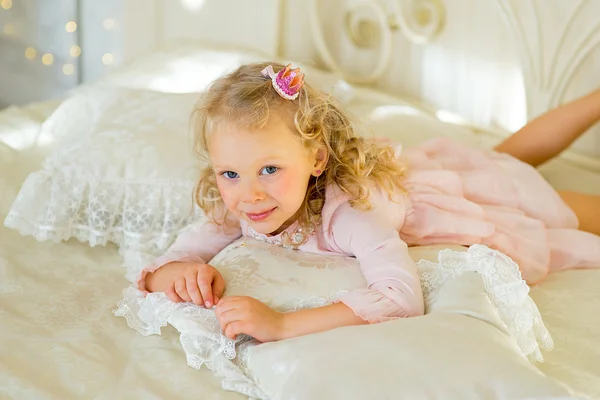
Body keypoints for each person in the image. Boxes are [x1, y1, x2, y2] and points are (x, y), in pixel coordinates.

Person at [136, 62, 600, 343]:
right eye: (230, 173)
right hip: (405, 175)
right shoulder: (240, 201)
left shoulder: (350, 217)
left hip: (440, 197)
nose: (250, 193)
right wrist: (181, 274)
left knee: (530, 192)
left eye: (271, 169)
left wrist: (282, 325)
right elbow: (171, 260)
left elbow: (400, 298)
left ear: (316, 159)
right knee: (502, 158)